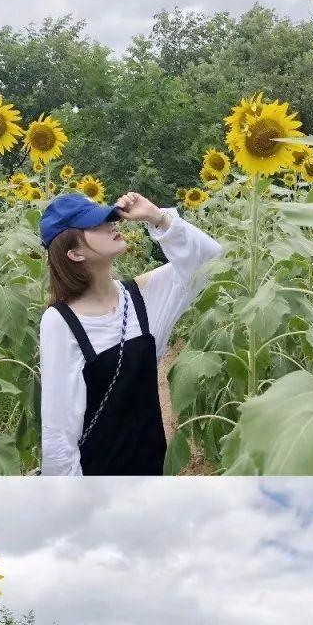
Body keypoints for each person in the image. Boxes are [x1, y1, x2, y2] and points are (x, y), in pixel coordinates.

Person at [39, 191, 222, 476]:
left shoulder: (143, 296)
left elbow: (211, 262)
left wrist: (158, 218)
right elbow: (58, 432)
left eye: (109, 218)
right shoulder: (60, 321)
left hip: (151, 476)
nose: (111, 224)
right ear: (74, 253)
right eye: (95, 224)